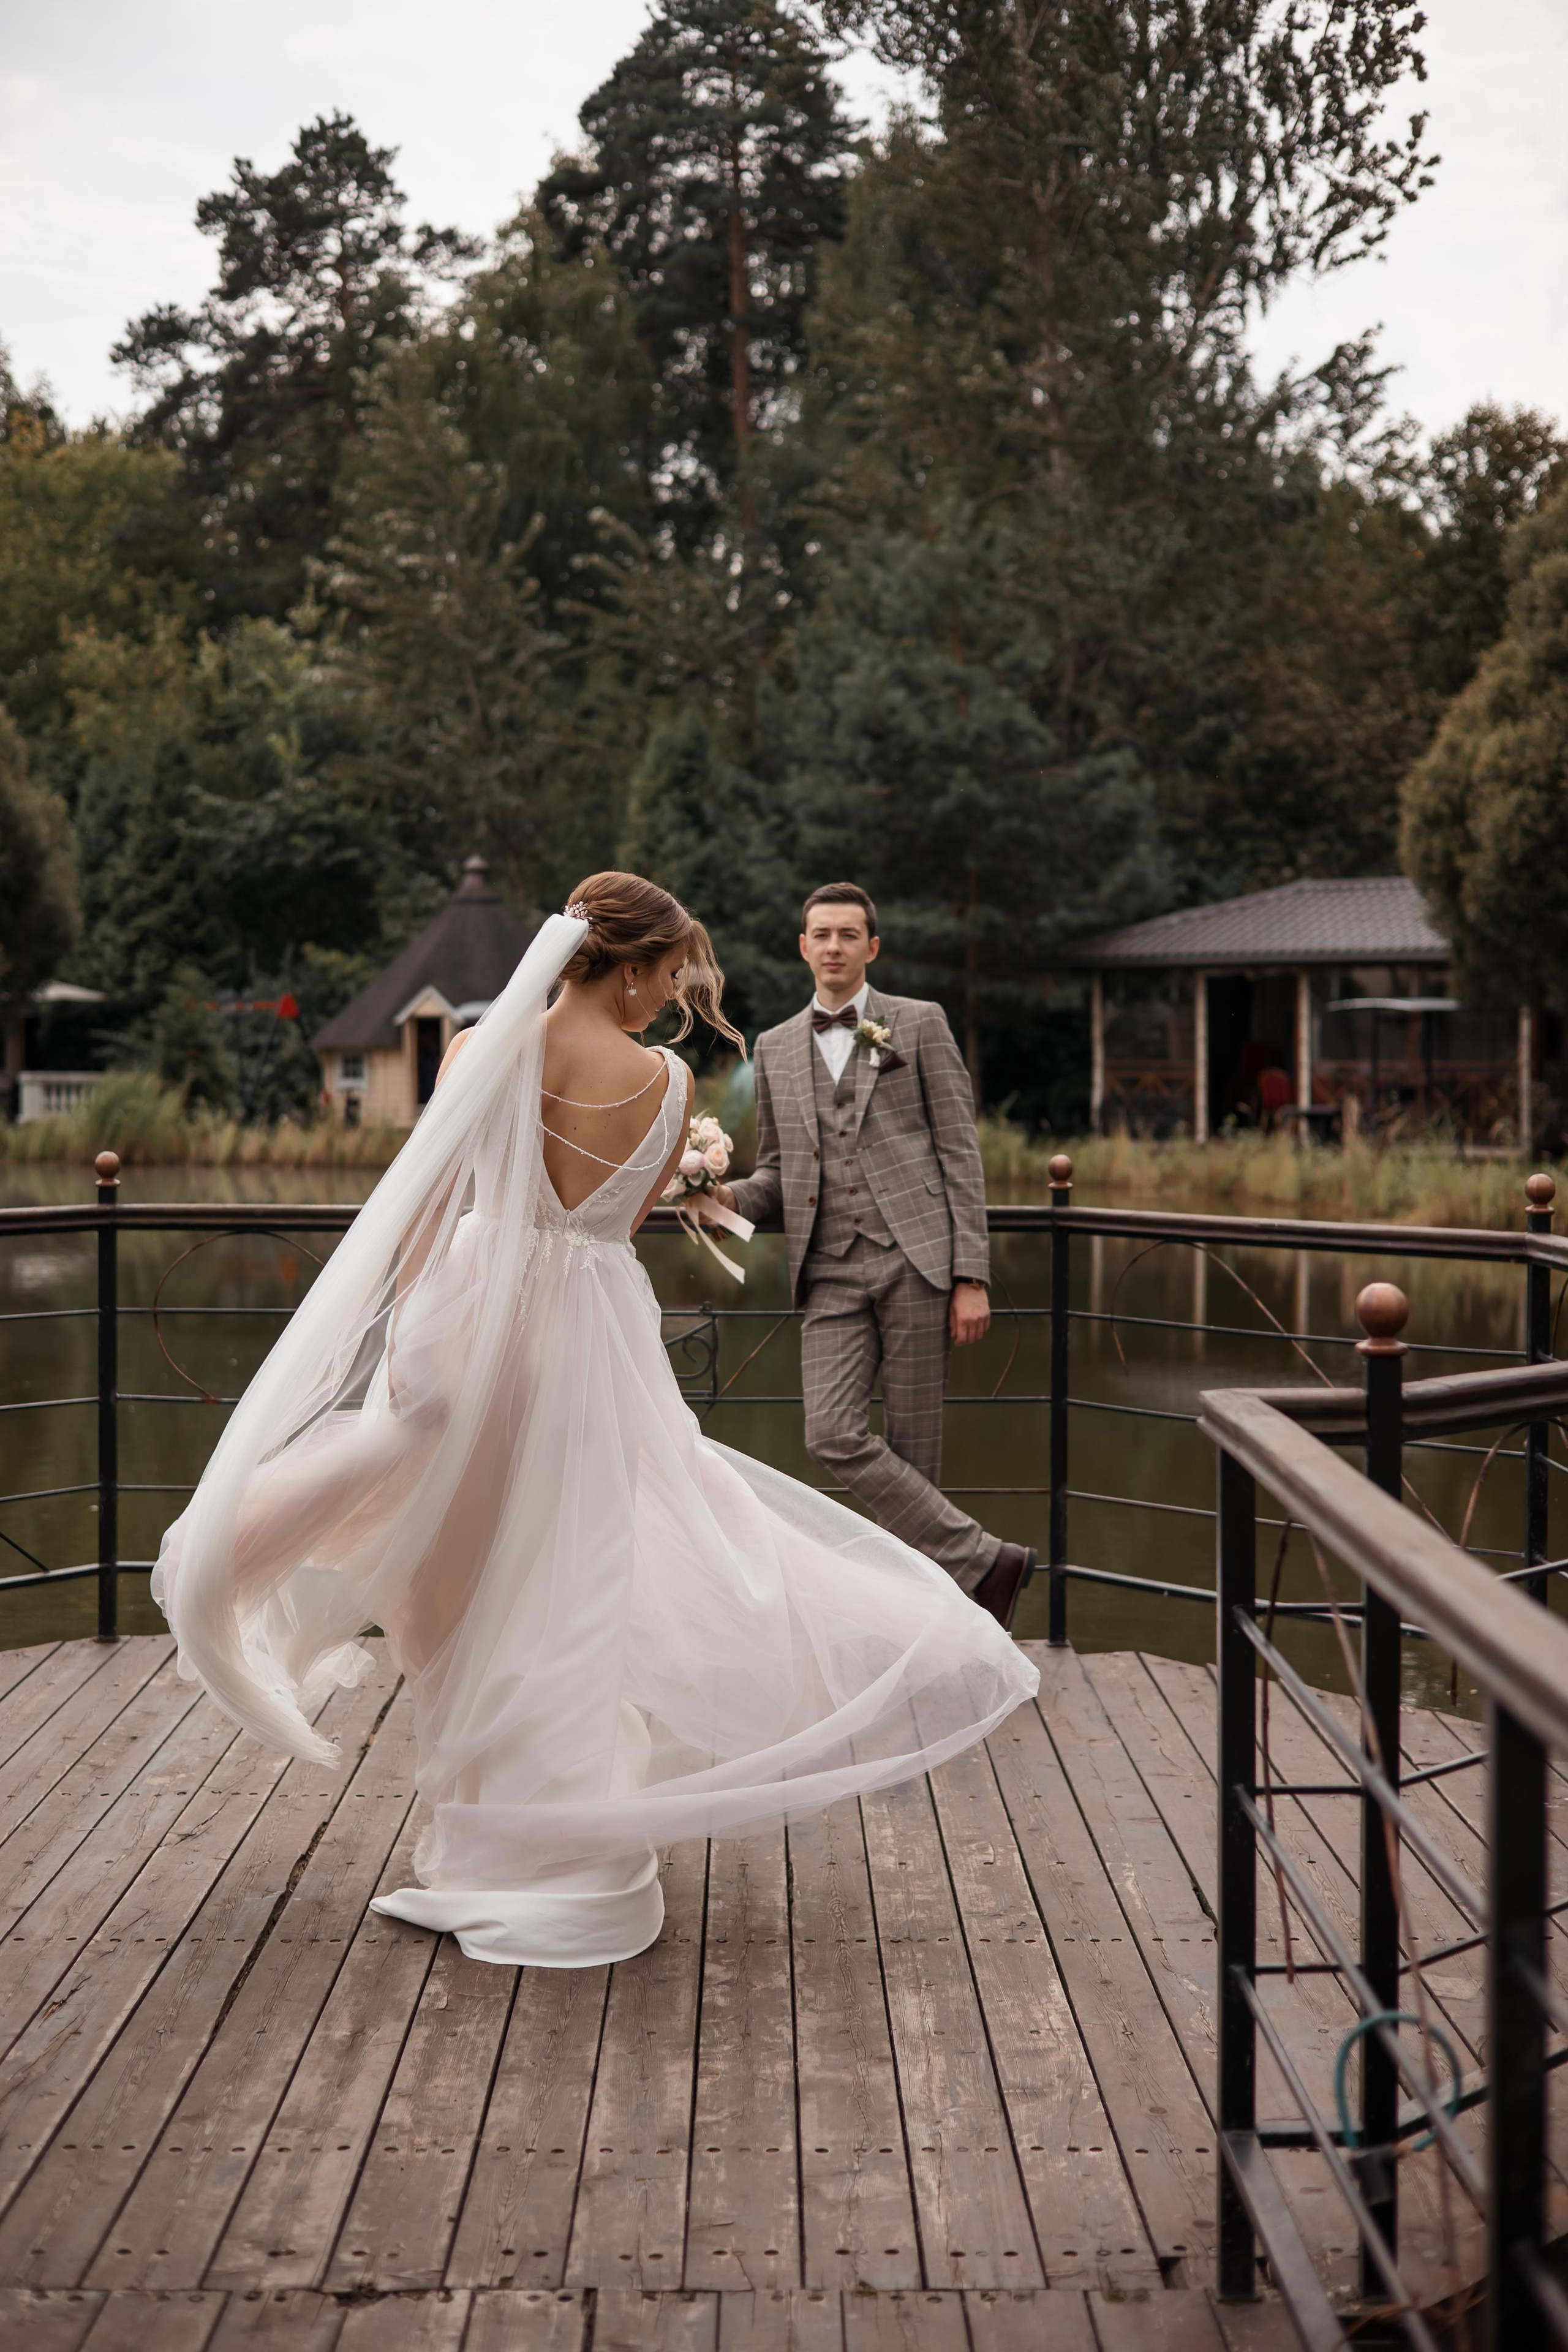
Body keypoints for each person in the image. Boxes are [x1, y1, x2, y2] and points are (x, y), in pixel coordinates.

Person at [150, 873, 1037, 1973]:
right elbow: (622, 1213)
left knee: (467, 1583)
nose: (668, 999)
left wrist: (407, 1342)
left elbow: (429, 1206)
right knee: (574, 1579)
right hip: (594, 1340)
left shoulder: (479, 1053)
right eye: (664, 976)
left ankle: (489, 1834)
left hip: (471, 1322)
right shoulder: (668, 1082)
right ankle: (562, 1844)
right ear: (626, 970)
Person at [714, 883, 1037, 1630]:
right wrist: (724, 1198)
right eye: (821, 935)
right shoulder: (773, 1047)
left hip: (917, 1263)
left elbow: (959, 1153)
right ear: (803, 947)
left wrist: (970, 1275)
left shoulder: (918, 1023)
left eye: (848, 935)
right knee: (829, 1432)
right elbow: (777, 1172)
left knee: (916, 1455)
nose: (834, 947)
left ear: (872, 947)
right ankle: (985, 1561)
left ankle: (922, 1630)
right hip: (828, 1269)